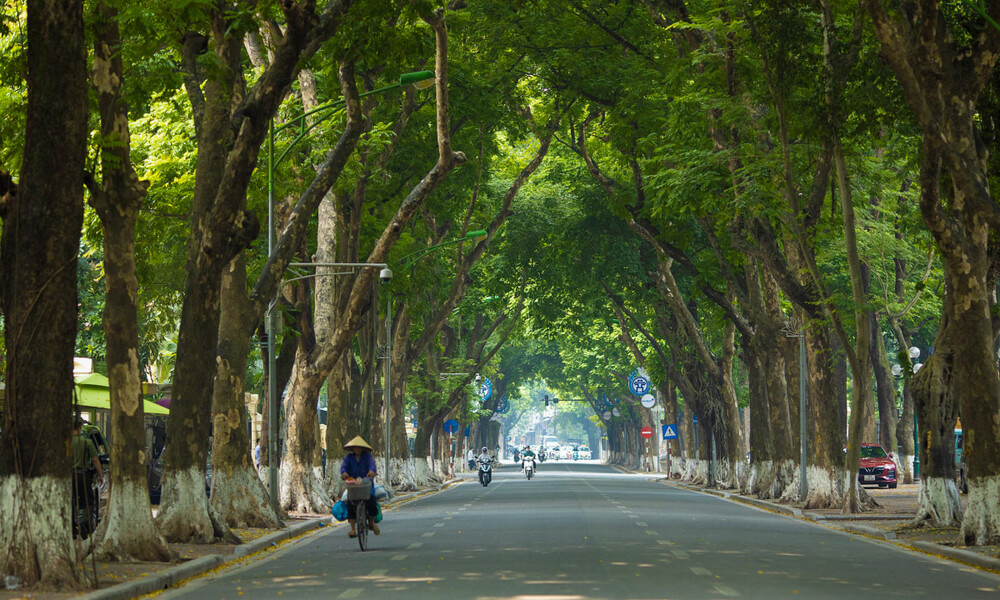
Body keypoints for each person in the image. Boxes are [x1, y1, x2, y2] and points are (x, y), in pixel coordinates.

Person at [340, 436, 379, 538]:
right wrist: (344, 473)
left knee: (372, 502)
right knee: (350, 504)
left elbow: (372, 466)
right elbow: (344, 467)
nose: (357, 449)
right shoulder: (348, 458)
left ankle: (372, 522)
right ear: (352, 449)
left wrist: (371, 472)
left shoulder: (368, 457)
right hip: (353, 485)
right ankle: (353, 529)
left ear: (362, 448)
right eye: (355, 448)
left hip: (366, 485)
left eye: (359, 447)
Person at [71, 417, 104, 538]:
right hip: (83, 476)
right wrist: (101, 475)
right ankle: (85, 523)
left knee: (71, 501)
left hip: (70, 476)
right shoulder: (87, 442)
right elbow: (95, 460)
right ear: (80, 427)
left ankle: (72, 527)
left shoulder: (66, 443)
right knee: (88, 501)